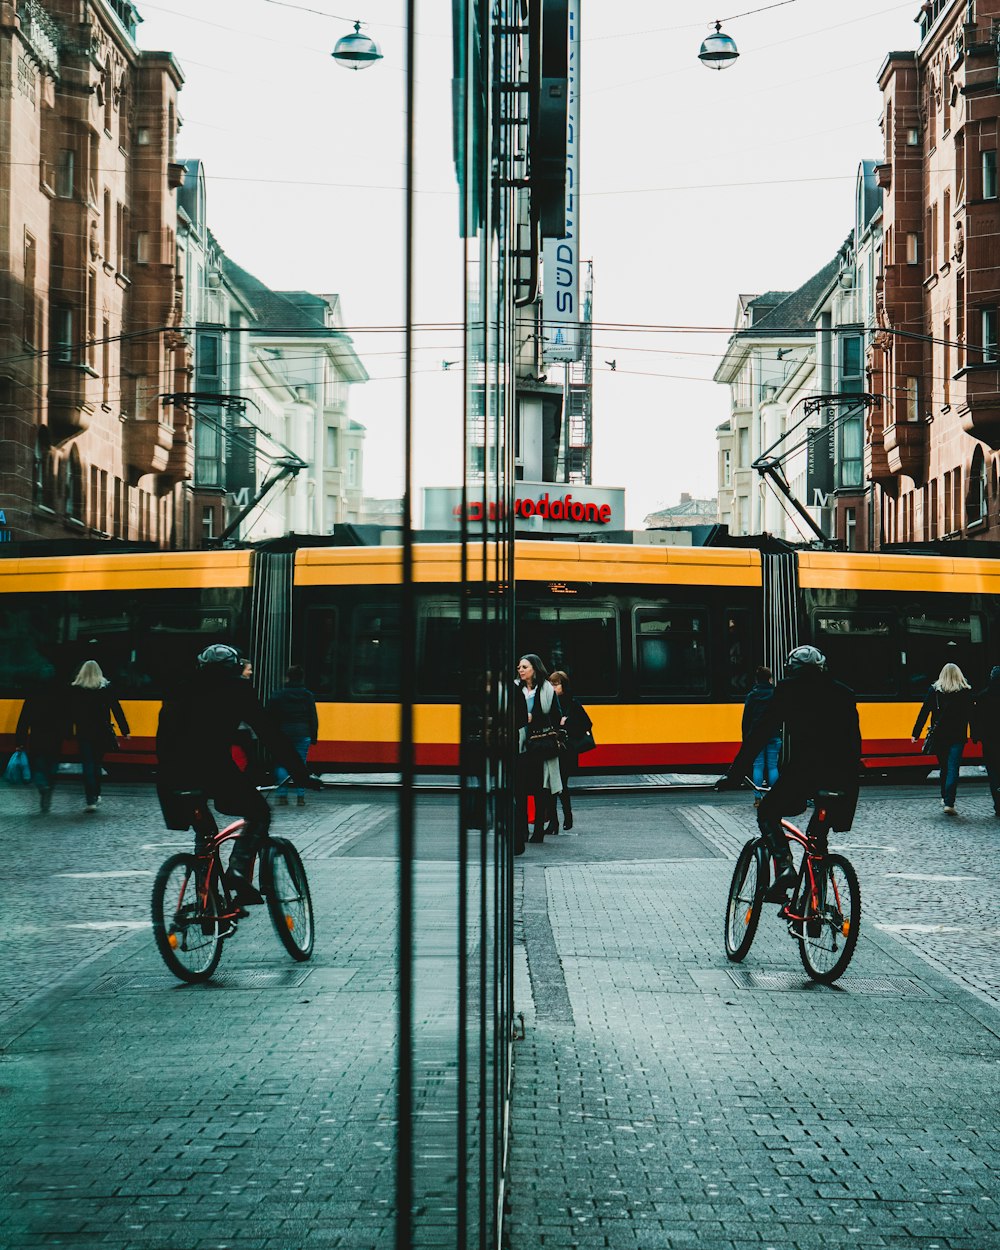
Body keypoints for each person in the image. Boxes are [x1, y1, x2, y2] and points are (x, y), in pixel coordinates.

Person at [155, 644, 318, 906]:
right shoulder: (237, 690)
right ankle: (239, 872)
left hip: (172, 776)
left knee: (205, 833)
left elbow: (163, 737)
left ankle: (206, 901)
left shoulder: (180, 687)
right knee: (259, 813)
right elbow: (270, 734)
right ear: (232, 667)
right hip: (213, 770)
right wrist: (301, 774)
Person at [718, 645, 861, 901]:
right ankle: (814, 907)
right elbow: (854, 741)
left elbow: (760, 732)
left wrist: (735, 774)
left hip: (805, 772)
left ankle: (784, 867)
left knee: (767, 812)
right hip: (842, 777)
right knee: (819, 839)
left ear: (790, 668)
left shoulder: (787, 690)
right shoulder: (844, 692)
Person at [912, 661, 974, 815]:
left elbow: (924, 712)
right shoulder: (965, 692)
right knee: (953, 768)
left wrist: (916, 733)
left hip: (939, 736)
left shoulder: (934, 691)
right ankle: (949, 802)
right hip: (957, 736)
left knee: (944, 768)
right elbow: (971, 715)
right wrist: (975, 733)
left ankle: (944, 796)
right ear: (959, 675)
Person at [70, 660, 130, 812]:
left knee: (87, 765)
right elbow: (117, 709)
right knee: (97, 764)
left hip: (84, 733)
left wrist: (67, 731)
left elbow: (69, 713)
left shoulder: (76, 689)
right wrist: (125, 730)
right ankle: (96, 794)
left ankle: (91, 800)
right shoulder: (106, 688)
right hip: (102, 732)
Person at [515, 653, 563, 842]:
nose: (520, 670)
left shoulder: (546, 690)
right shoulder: (515, 688)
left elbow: (556, 715)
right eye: (519, 667)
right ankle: (522, 829)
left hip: (538, 743)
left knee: (538, 787)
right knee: (520, 788)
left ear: (534, 669)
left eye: (524, 667)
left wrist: (534, 719)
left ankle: (537, 831)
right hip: (518, 742)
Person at [15, 671, 68, 814]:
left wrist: (20, 740)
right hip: (55, 739)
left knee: (38, 766)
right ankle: (49, 787)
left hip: (37, 738)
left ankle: (42, 786)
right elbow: (66, 719)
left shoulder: (32, 697)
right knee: (52, 766)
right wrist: (66, 735)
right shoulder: (60, 698)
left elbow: (23, 721)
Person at [267, 664, 319, 806]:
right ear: (302, 677)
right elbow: (313, 717)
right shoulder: (307, 695)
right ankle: (300, 797)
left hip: (283, 733)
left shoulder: (278, 695)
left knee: (282, 764)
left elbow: (270, 717)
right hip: (303, 733)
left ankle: (282, 796)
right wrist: (314, 736)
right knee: (300, 764)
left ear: (287, 677)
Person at [549, 670, 592, 833]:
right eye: (551, 684)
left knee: (561, 786)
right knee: (550, 787)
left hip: (566, 751)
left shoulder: (573, 704)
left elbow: (587, 724)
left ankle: (567, 816)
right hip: (551, 749)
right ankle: (553, 822)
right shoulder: (549, 702)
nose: (553, 687)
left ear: (563, 686)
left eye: (556, 684)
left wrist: (567, 723)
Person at [742, 666, 781, 797]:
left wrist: (745, 737)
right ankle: (774, 796)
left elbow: (746, 718)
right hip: (773, 735)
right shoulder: (776, 694)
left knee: (758, 766)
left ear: (756, 680)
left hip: (756, 736)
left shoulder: (752, 695)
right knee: (772, 766)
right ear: (770, 678)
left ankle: (758, 798)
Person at [972, 665, 1000, 816]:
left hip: (989, 742)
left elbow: (976, 719)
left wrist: (976, 736)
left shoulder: (982, 697)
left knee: (993, 774)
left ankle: (998, 804)